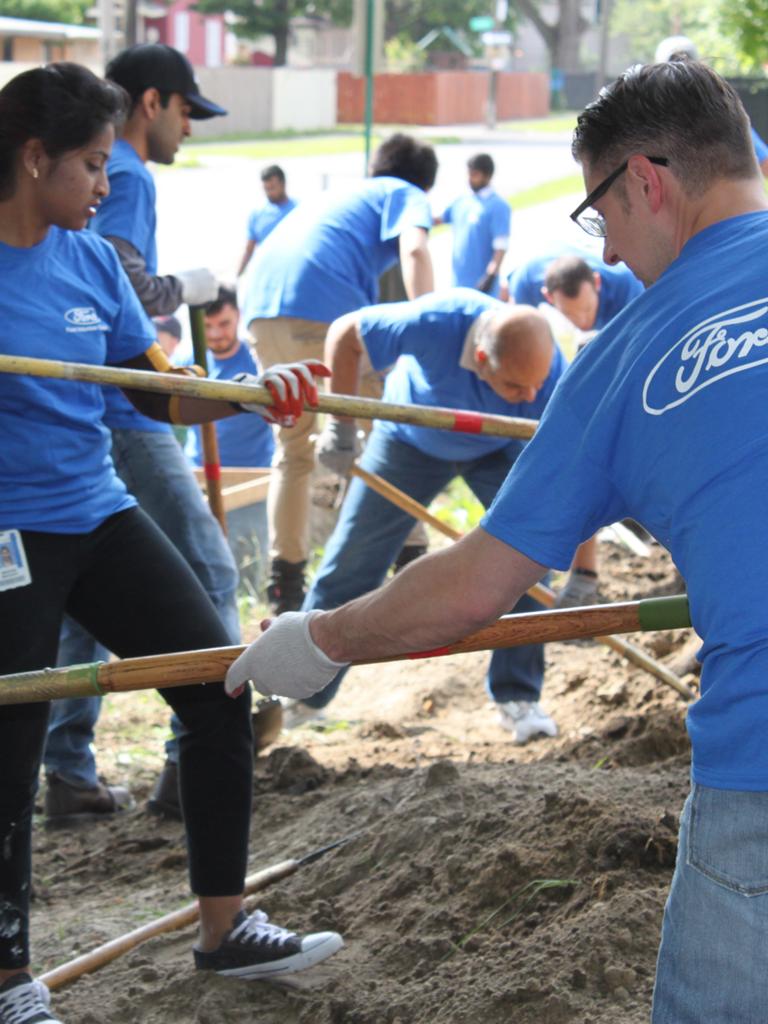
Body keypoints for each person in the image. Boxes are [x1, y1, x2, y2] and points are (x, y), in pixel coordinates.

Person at [226, 57, 768, 1023]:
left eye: (601, 217)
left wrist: (320, 639)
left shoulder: (623, 358)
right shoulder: (462, 330)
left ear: (646, 179)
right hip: (413, 439)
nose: (607, 257)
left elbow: (478, 582)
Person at [0, 63, 340, 1024]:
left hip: (96, 511)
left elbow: (155, 389)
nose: (107, 185)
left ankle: (224, 930)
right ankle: (8, 981)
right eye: (92, 165)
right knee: (9, 742)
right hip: (7, 534)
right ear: (35, 158)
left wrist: (251, 394)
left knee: (219, 687)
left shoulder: (92, 261)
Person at [41, 43, 242, 824]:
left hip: (121, 408)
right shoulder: (124, 170)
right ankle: (189, 761)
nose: (188, 129)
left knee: (79, 602)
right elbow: (120, 273)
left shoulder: (106, 172)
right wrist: (179, 287)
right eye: (188, 110)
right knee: (209, 570)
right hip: (127, 414)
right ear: (152, 102)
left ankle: (68, 770)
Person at [296, 290, 574, 741]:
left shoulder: (547, 374)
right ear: (481, 359)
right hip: (411, 438)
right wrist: (341, 427)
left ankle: (517, 696)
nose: (530, 396)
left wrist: (583, 569)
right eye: (515, 388)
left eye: (535, 386)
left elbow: (569, 470)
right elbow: (347, 334)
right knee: (352, 562)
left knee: (528, 560)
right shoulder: (435, 322)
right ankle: (300, 693)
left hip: (498, 444)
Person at [242, 132, 438, 614]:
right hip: (323, 311)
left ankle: (286, 582)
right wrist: (430, 324)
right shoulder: (405, 193)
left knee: (293, 447)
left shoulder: (341, 197)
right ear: (422, 184)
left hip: (262, 310)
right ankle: (412, 566)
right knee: (388, 431)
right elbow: (414, 252)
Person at [182, 286, 275, 589]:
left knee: (248, 570)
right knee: (203, 567)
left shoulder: (257, 360)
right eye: (207, 326)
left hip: (253, 478)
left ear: (238, 316)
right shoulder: (187, 362)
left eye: (224, 323)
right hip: (200, 477)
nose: (216, 334)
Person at [505, 246, 644, 335]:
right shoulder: (527, 280)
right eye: (569, 313)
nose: (584, 323)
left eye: (587, 309)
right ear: (548, 297)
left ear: (596, 282)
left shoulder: (627, 285)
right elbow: (519, 330)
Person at [437, 152, 512, 297]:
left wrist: (490, 276)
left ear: (487, 176)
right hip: (458, 284)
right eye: (469, 173)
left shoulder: (498, 206)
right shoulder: (462, 201)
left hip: (481, 285)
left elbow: (501, 246)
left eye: (475, 174)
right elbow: (439, 220)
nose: (469, 178)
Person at [236, 163, 296, 278]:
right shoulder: (257, 214)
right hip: (267, 274)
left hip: (291, 272)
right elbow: (249, 250)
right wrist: (239, 275)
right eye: (266, 189)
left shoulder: (299, 210)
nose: (269, 193)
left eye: (272, 188)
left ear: (283, 184)